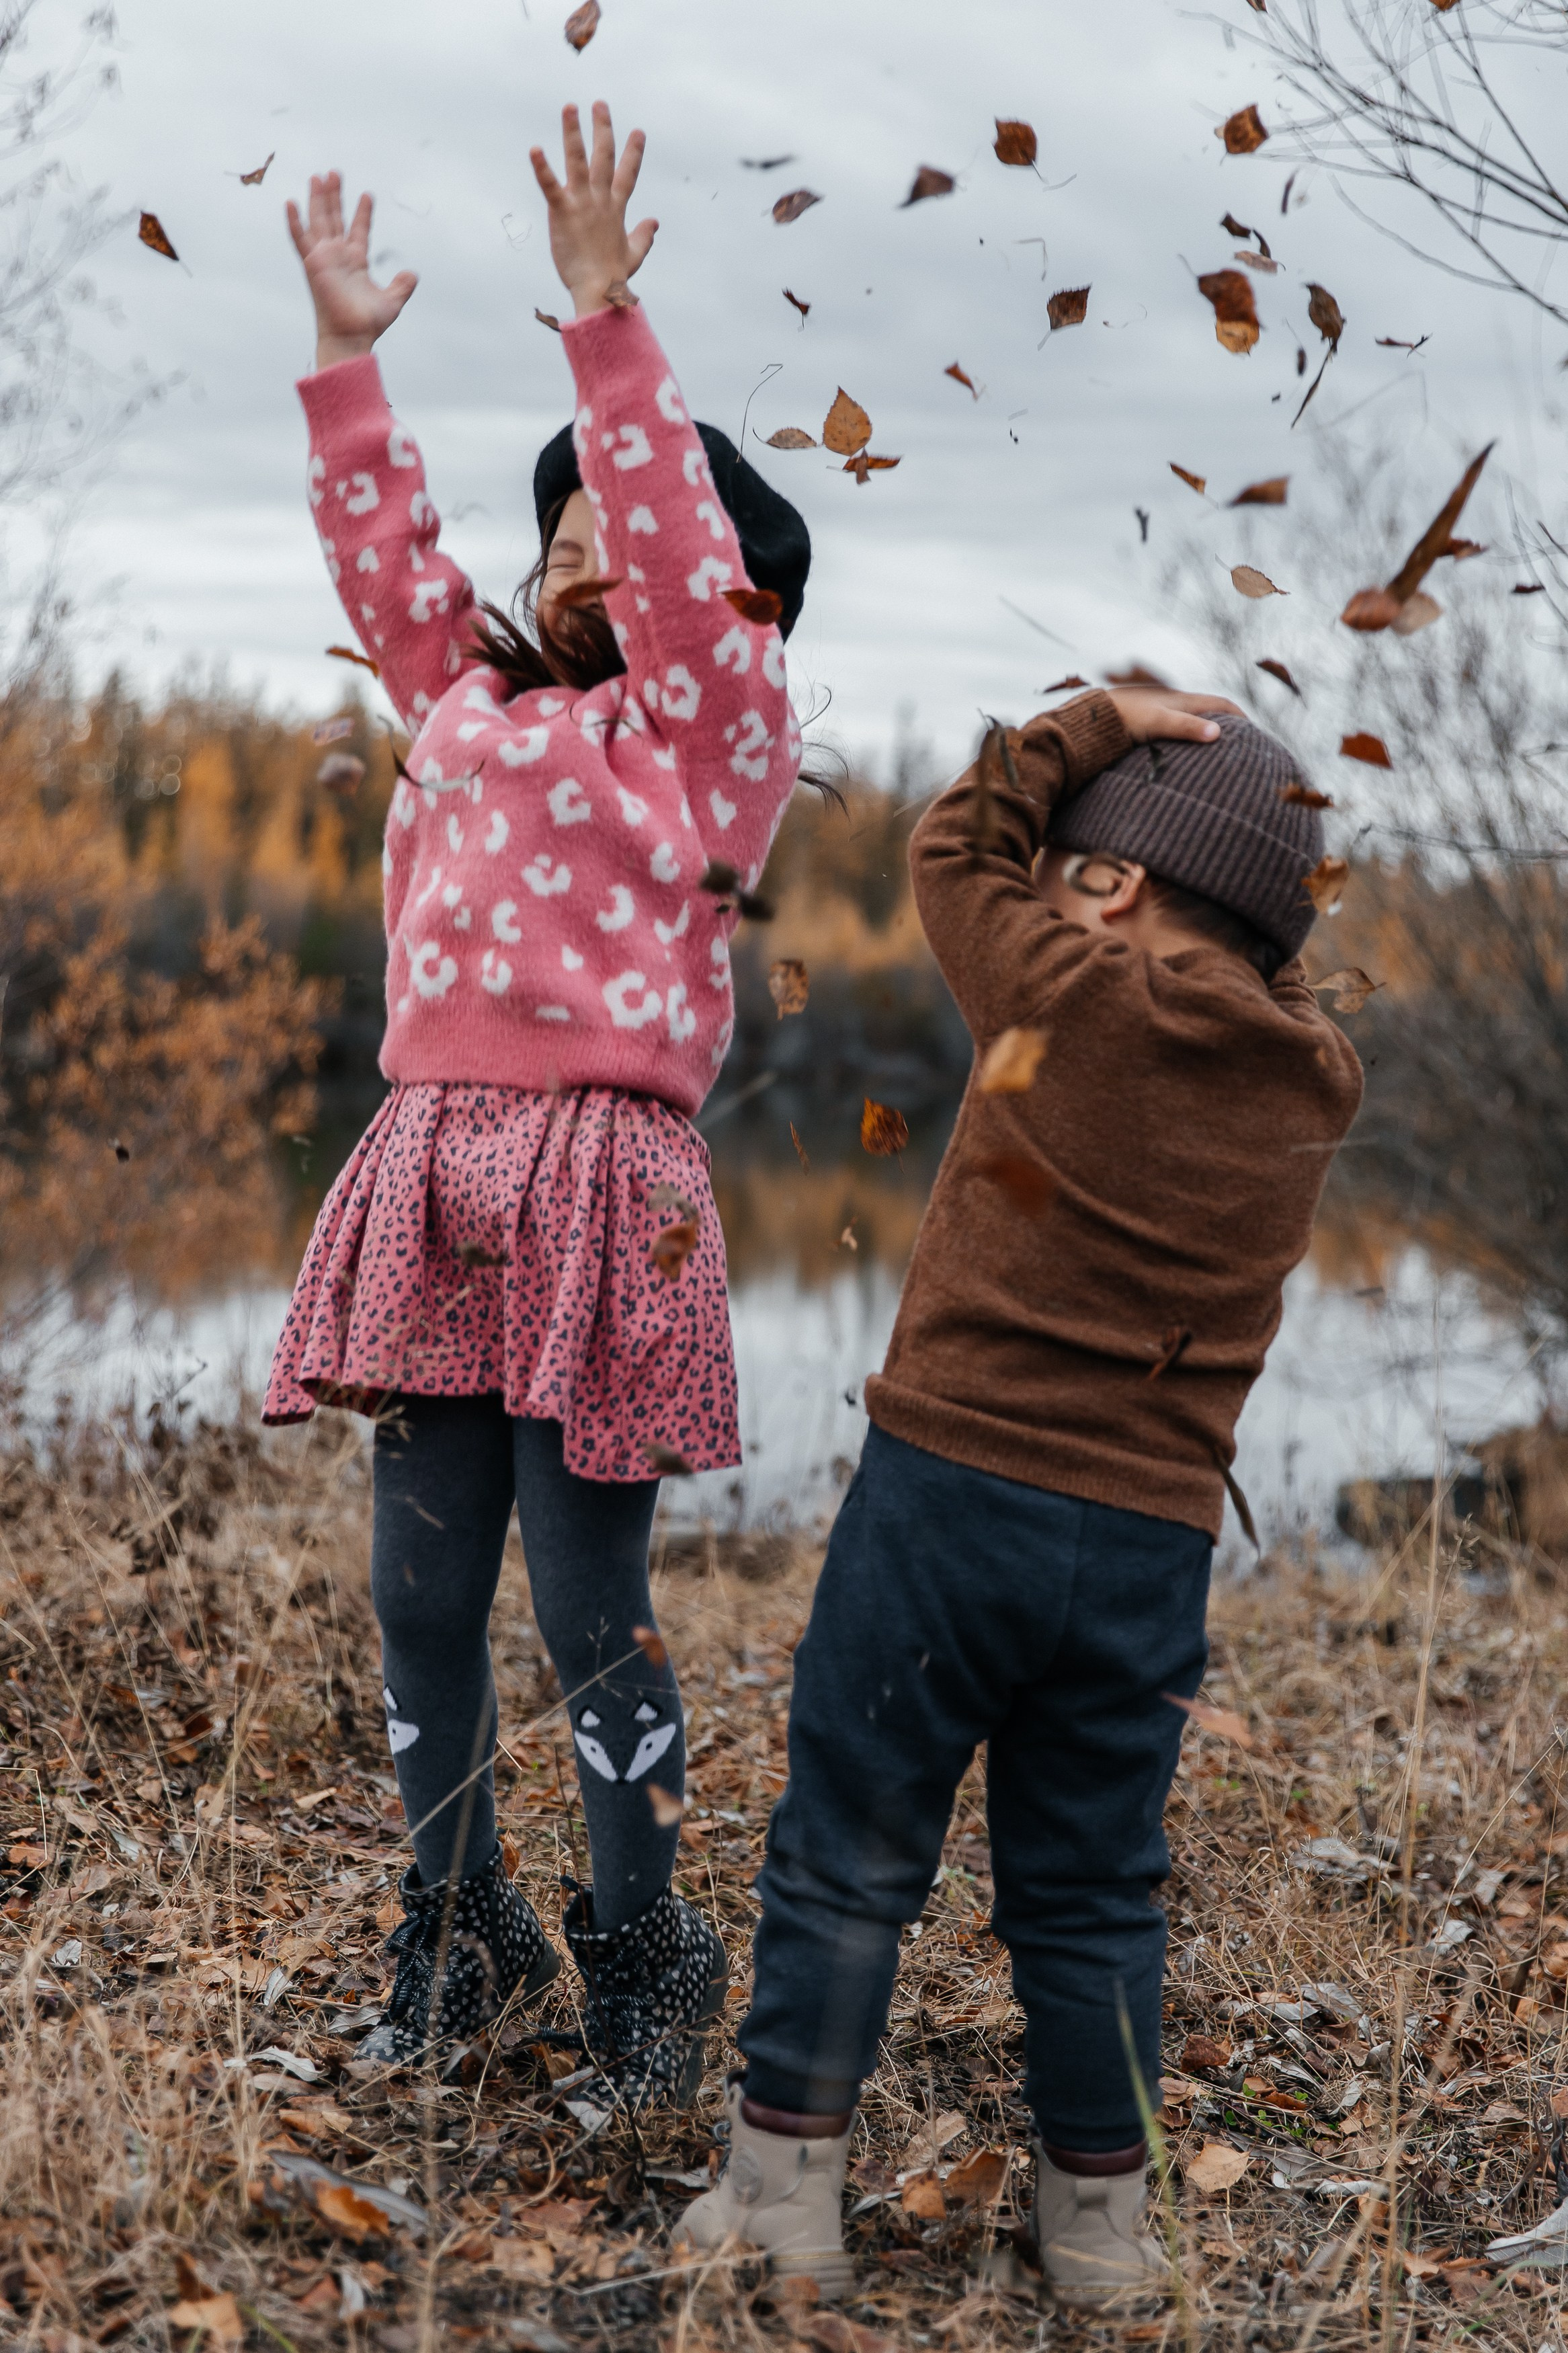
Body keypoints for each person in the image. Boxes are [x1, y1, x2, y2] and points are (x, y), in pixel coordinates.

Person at [679, 687, 1364, 2295]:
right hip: (1146, 1544)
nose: (1044, 883)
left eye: (1074, 869)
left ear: (1112, 889)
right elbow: (1231, 954)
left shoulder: (1065, 980)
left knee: (851, 1845)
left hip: (950, 1495)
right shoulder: (1314, 1082)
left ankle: (783, 2203)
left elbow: (953, 834)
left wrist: (1096, 719)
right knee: (1092, 1886)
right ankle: (1105, 2239)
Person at [261, 103, 813, 2099]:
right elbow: (383, 550)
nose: (584, 520)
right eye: (564, 503)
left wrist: (607, 328)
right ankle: (454, 1921)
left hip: (604, 1173)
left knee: (591, 1602)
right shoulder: (462, 696)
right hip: (434, 1155)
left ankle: (641, 1946)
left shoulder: (710, 733)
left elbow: (674, 561)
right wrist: (346, 360)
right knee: (418, 1589)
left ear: (723, 585)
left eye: (623, 509)